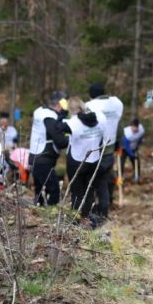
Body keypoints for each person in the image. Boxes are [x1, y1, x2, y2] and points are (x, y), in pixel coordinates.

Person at [63, 97, 105, 227]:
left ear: (71, 109)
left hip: (77, 160)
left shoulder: (72, 122)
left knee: (77, 192)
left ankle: (76, 220)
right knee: (89, 190)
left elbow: (58, 131)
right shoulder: (99, 118)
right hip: (94, 159)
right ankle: (87, 217)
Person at [85, 82, 124, 223]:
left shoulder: (90, 106)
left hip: (95, 150)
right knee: (104, 183)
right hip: (110, 149)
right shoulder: (115, 103)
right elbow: (119, 127)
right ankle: (103, 213)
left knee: (91, 183)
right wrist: (119, 144)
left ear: (91, 95)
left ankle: (91, 213)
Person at [28, 91, 69, 206]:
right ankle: (51, 215)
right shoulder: (49, 117)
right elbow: (61, 142)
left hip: (36, 156)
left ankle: (38, 214)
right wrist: (70, 138)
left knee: (39, 190)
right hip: (43, 158)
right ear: (59, 105)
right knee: (54, 189)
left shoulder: (39, 111)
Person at [120, 118, 146, 183]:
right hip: (124, 149)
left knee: (136, 162)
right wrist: (132, 155)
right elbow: (126, 146)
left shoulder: (141, 130)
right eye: (132, 127)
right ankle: (120, 177)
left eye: (134, 127)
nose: (133, 129)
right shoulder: (126, 133)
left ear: (137, 126)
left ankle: (137, 176)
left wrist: (138, 145)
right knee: (121, 163)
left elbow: (140, 138)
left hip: (134, 148)